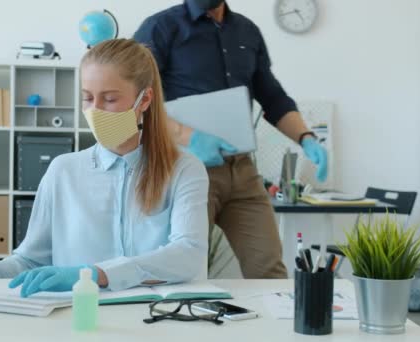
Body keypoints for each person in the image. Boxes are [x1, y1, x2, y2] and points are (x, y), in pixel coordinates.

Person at [0, 38, 209, 297]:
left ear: (144, 99)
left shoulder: (184, 170)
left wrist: (97, 274)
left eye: (109, 99)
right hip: (80, 319)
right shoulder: (62, 171)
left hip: (154, 322)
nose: (95, 111)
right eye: (87, 98)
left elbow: (188, 254)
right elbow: (29, 264)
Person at [134, 0, 328, 279]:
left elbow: (273, 97)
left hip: (242, 171)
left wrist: (306, 138)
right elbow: (138, 100)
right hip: (184, 168)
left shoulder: (247, 31)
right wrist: (189, 137)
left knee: (269, 270)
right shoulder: (160, 28)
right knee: (182, 272)